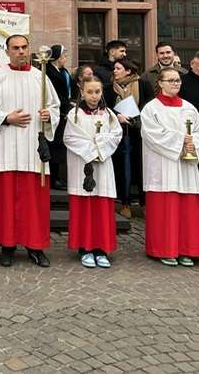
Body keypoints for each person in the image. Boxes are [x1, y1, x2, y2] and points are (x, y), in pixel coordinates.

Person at [0, 34, 60, 268]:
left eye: (24, 47)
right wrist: (6, 117)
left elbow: (54, 107)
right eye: (15, 48)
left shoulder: (40, 77)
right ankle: (7, 246)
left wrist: (49, 116)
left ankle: (35, 246)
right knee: (6, 201)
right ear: (7, 52)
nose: (21, 51)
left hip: (32, 151)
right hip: (5, 147)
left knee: (33, 202)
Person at [140, 67, 199, 267]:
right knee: (165, 208)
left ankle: (187, 249)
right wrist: (182, 142)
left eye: (177, 80)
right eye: (170, 80)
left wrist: (193, 141)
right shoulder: (151, 109)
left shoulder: (189, 107)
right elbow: (153, 135)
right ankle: (164, 249)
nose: (175, 84)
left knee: (187, 207)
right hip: (162, 164)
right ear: (160, 83)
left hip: (186, 165)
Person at [63, 75, 123, 268]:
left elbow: (116, 135)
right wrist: (92, 151)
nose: (94, 96)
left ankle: (102, 248)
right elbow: (70, 138)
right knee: (85, 205)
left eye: (97, 91)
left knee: (102, 205)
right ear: (82, 92)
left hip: (103, 164)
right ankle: (86, 248)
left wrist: (101, 148)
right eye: (89, 92)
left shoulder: (109, 115)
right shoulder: (74, 114)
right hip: (83, 165)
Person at [106, 58, 154, 217]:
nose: (115, 71)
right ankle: (124, 202)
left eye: (118, 68)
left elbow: (149, 105)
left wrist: (137, 116)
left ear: (128, 70)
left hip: (138, 132)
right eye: (114, 68)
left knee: (141, 166)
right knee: (123, 167)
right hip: (119, 133)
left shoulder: (142, 84)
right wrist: (117, 115)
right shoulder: (109, 88)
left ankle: (144, 202)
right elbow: (105, 108)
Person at [46, 44, 72, 189]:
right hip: (57, 111)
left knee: (59, 146)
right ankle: (53, 178)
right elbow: (54, 95)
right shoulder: (49, 72)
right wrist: (67, 105)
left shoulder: (62, 71)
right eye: (64, 56)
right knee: (54, 146)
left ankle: (57, 177)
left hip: (62, 111)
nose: (65, 59)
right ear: (56, 57)